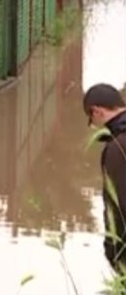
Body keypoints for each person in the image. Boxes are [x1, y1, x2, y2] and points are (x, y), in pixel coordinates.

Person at [83, 83, 126, 275]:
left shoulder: (117, 148)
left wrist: (113, 251)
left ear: (97, 111)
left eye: (91, 119)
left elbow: (117, 205)